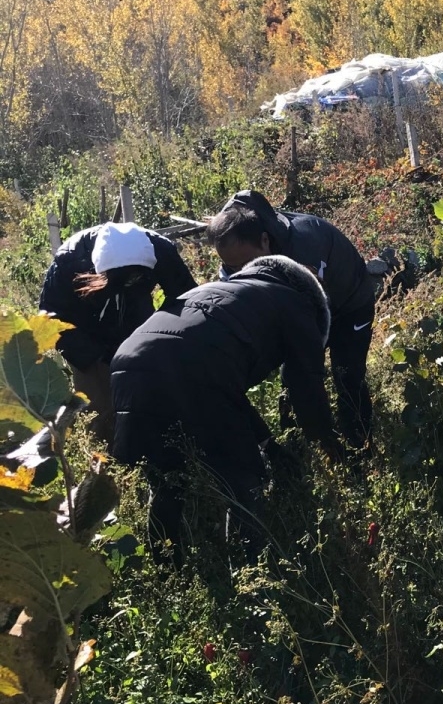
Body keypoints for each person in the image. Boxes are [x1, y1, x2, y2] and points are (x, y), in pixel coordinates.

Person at [110, 255, 343, 565]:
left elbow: (225, 390)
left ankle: (167, 571)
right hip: (193, 367)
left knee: (167, 478)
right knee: (244, 481)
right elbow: (307, 390)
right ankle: (250, 580)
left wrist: (269, 444)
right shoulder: (297, 304)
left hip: (129, 362)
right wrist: (328, 444)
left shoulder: (224, 292)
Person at [207, 190, 377, 449]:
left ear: (265, 241)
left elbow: (310, 315)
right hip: (304, 303)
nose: (242, 273)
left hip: (349, 304)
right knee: (292, 379)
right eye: (232, 268)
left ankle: (359, 446)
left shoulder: (304, 250)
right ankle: (297, 446)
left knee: (347, 375)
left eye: (245, 264)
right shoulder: (238, 245)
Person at [38, 222, 197, 444]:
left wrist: (160, 337)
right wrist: (97, 357)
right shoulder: (71, 260)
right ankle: (105, 465)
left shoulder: (160, 250)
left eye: (134, 279)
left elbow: (186, 299)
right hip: (87, 337)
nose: (127, 283)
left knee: (148, 397)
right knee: (99, 408)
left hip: (138, 327)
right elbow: (51, 318)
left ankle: (153, 455)